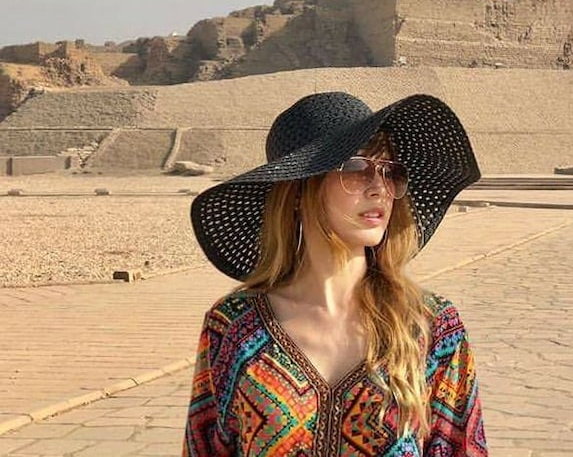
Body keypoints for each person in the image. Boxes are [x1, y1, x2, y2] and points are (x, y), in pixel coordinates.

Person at [183, 92, 488, 455]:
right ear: (299, 189)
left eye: (390, 172)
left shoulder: (431, 327)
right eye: (357, 169)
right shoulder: (233, 327)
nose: (380, 189)